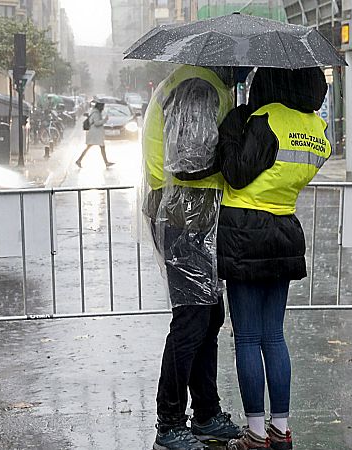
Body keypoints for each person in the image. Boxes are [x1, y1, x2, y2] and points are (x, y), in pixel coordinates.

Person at [216, 67, 331, 450]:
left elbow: (235, 174)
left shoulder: (265, 120)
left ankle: (255, 433)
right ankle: (281, 429)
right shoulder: (316, 129)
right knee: (273, 335)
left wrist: (234, 127)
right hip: (284, 230)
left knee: (248, 337)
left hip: (244, 231)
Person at [142, 64, 246, 450]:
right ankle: (170, 422)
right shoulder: (199, 87)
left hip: (190, 210)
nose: (247, 71)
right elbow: (188, 160)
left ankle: (205, 413)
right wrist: (235, 153)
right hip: (184, 211)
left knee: (207, 315)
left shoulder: (200, 81)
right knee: (192, 318)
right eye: (244, 65)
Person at [76, 101, 113, 168]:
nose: (103, 108)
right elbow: (96, 123)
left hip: (94, 133)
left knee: (91, 147)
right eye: (102, 106)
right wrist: (105, 120)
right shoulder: (96, 113)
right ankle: (106, 162)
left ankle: (79, 160)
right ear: (100, 106)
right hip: (95, 134)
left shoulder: (94, 112)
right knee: (100, 147)